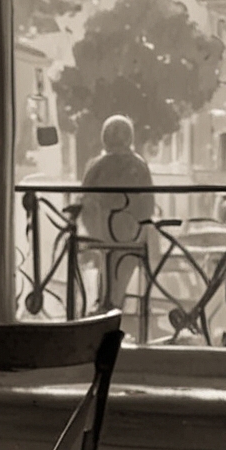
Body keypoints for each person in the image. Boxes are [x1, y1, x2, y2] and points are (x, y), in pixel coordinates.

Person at [77, 114, 155, 315]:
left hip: (102, 230)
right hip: (131, 232)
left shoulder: (97, 165)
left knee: (107, 265)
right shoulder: (139, 165)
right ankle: (113, 304)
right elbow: (148, 204)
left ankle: (106, 305)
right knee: (121, 269)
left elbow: (84, 199)